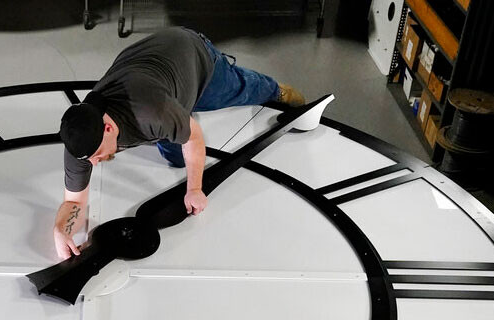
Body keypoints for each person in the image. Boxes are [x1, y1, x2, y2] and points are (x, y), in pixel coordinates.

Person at [53, 27, 305, 258]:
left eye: (97, 154)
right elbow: (74, 202)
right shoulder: (81, 139)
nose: (94, 163)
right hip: (157, 78)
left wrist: (195, 189)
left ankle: (278, 90)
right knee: (175, 157)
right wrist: (60, 230)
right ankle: (181, 112)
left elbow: (194, 137)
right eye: (89, 159)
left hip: (193, 56)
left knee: (241, 89)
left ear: (108, 128)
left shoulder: (152, 114)